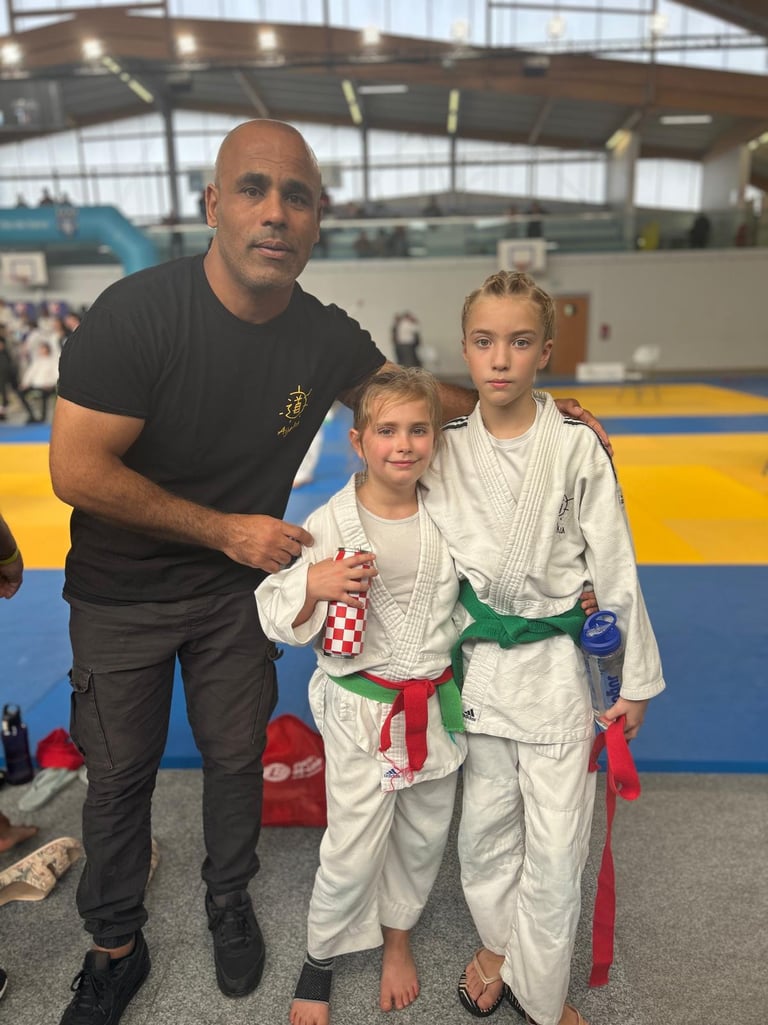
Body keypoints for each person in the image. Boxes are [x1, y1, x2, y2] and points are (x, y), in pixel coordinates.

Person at [48, 118, 606, 1025]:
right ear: (213, 206)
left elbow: (416, 401)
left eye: (297, 196)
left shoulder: (319, 335)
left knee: (236, 757)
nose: (276, 212)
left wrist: (528, 409)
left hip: (239, 588)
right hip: (123, 594)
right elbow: (76, 469)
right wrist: (225, 530)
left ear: (317, 219)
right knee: (117, 778)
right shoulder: (136, 314)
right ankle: (114, 945)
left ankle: (229, 900)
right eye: (254, 189)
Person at [420, 270, 665, 1025]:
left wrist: (631, 680)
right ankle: (502, 948)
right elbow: (417, 552)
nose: (500, 359)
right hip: (482, 672)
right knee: (484, 835)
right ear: (464, 348)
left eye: (520, 342)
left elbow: (614, 564)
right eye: (484, 341)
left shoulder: (576, 447)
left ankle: (540, 991)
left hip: (558, 674)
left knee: (558, 847)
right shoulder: (444, 449)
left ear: (545, 352)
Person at [256, 367, 467, 1025]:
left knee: (424, 834)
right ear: (358, 440)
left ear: (436, 438)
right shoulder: (331, 519)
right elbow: (272, 609)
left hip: (431, 704)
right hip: (360, 708)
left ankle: (397, 937)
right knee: (352, 845)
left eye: (418, 430)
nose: (403, 445)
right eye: (387, 430)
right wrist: (311, 584)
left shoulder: (449, 513)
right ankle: (319, 955)